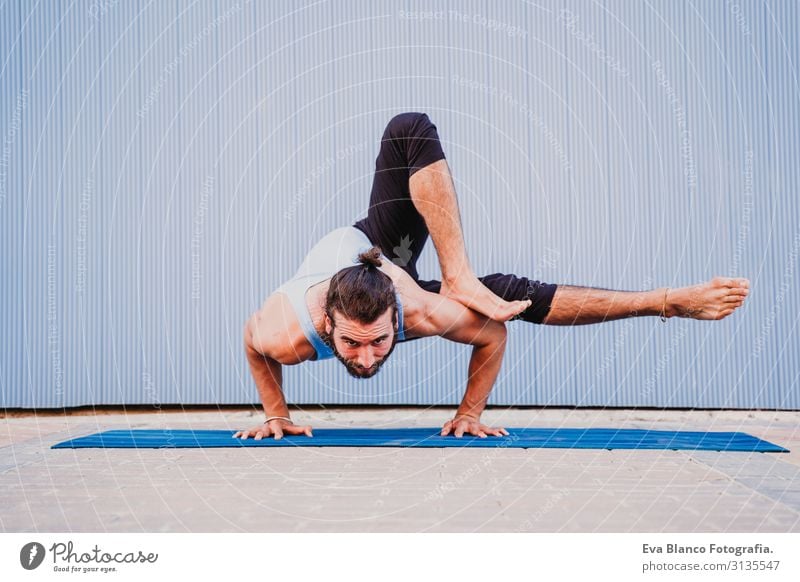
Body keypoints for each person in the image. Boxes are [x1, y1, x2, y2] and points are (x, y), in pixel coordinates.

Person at [234, 113, 749, 440]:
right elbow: (251, 342)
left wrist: (470, 412)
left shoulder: (418, 309)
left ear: (400, 319)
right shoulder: (286, 331)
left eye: (379, 342)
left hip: (381, 253)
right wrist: (275, 413)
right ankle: (660, 300)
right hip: (365, 260)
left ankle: (461, 276)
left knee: (408, 129)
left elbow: (492, 334)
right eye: (354, 344)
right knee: (505, 296)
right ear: (326, 323)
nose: (367, 358)